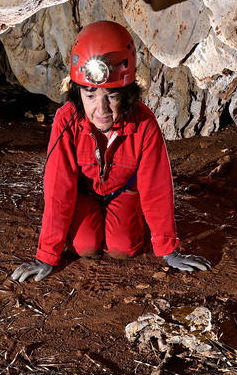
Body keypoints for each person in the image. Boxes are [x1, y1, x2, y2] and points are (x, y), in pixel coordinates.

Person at [11, 20, 211, 283]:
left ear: (127, 93)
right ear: (77, 91)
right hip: (84, 194)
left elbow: (157, 188)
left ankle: (127, 222)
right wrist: (46, 256)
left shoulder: (144, 124)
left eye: (112, 96)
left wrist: (168, 250)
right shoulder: (66, 120)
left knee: (123, 247)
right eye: (90, 95)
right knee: (85, 246)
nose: (101, 110)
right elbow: (59, 188)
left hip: (124, 192)